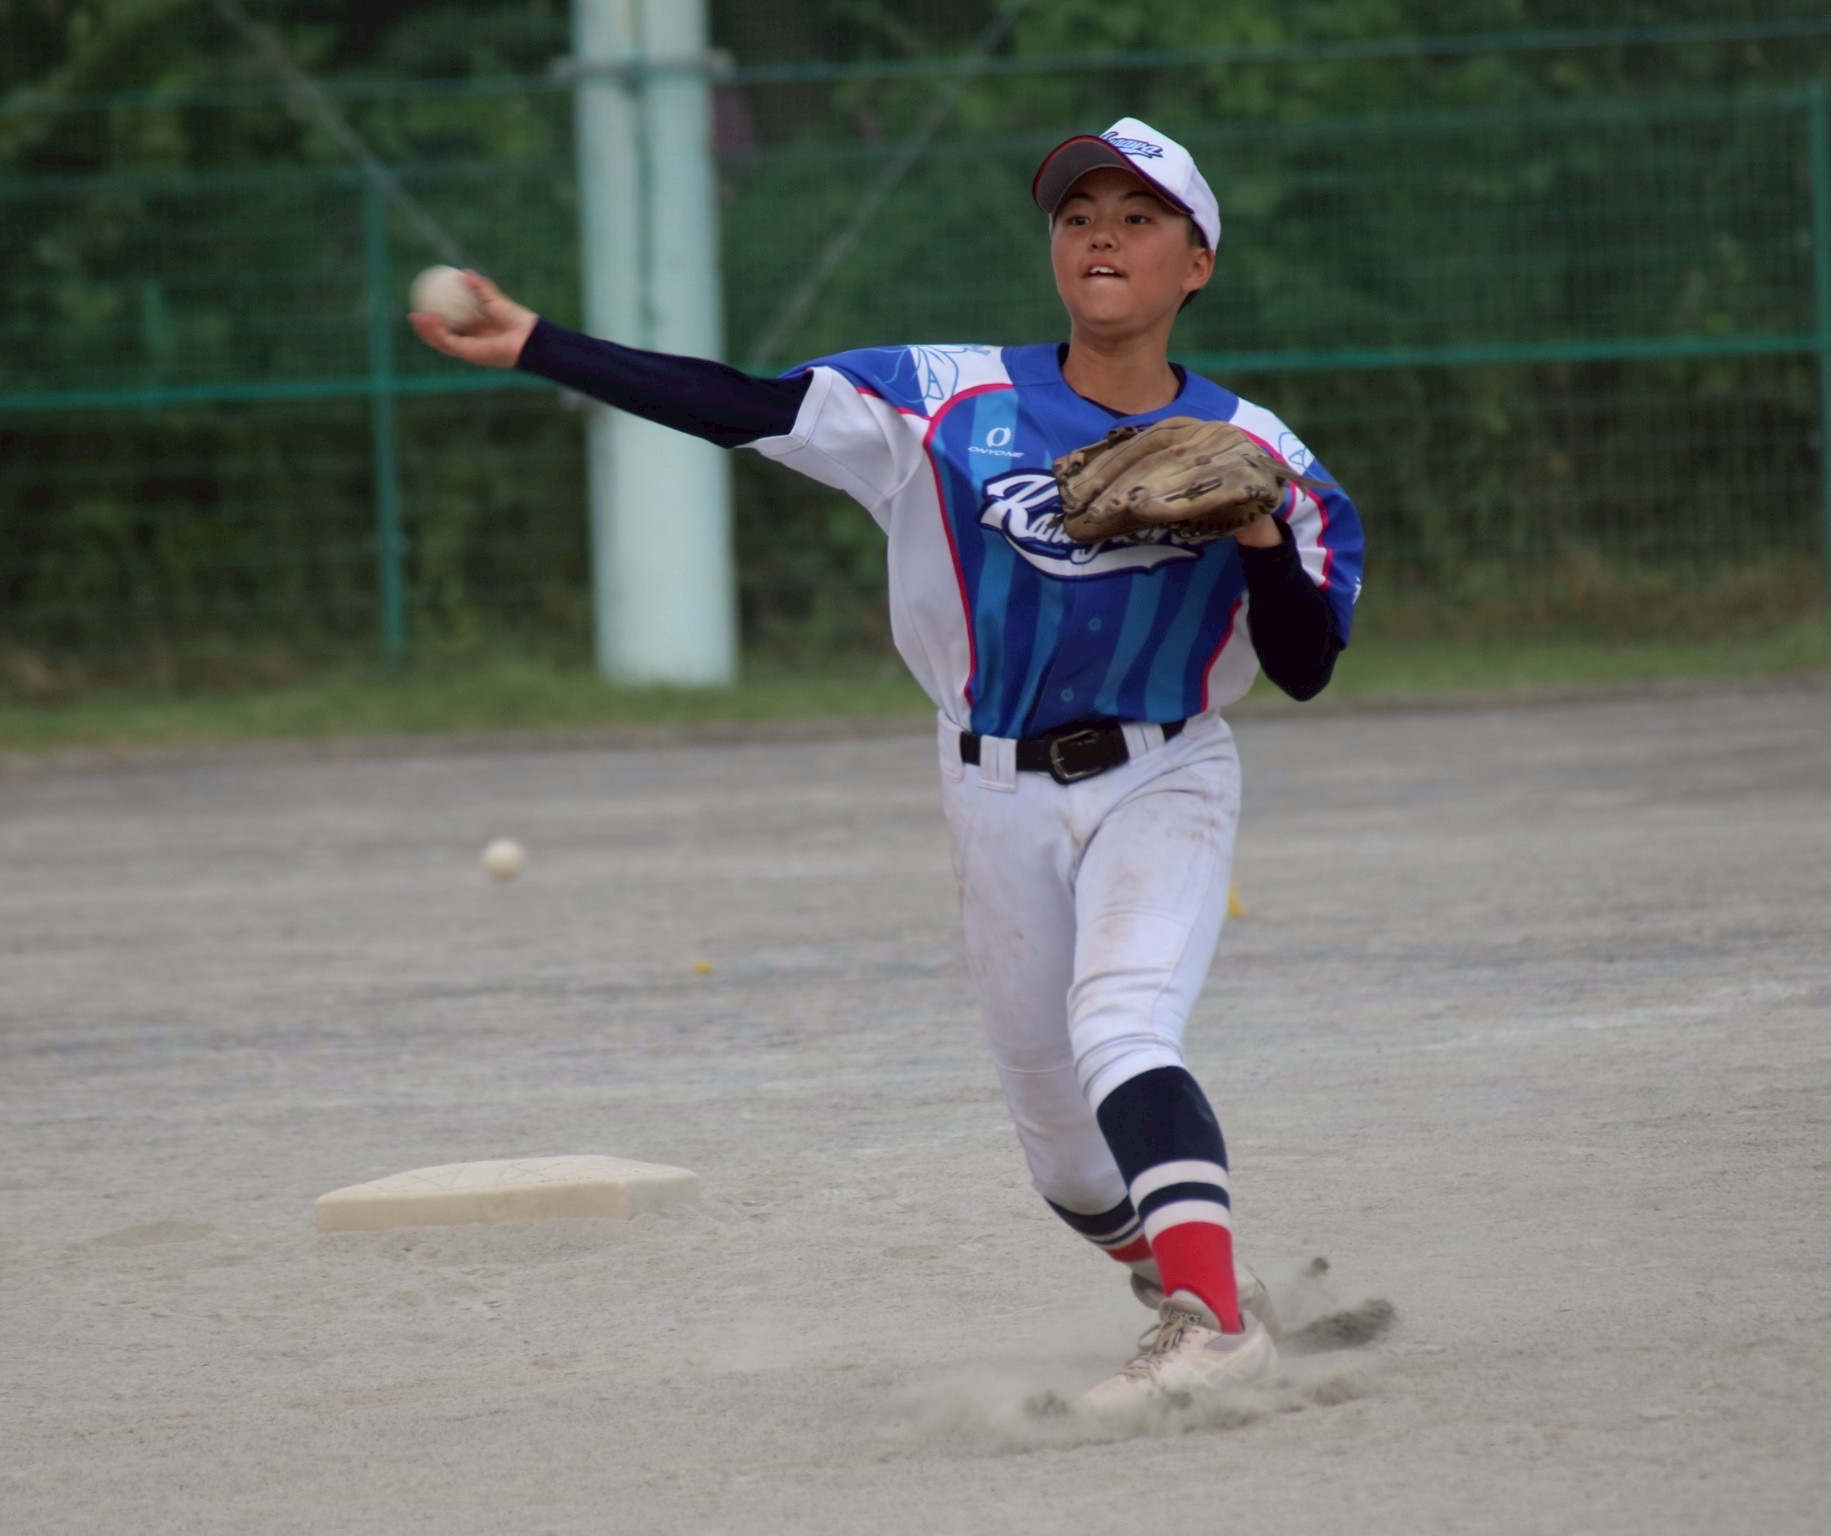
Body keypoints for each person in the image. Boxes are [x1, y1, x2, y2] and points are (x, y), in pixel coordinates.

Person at [412, 118, 1365, 1413]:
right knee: (1065, 1160)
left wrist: (1253, 530)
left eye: (1139, 217)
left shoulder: (1264, 454)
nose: (1102, 234)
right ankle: (1201, 1282)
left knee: (1122, 1027)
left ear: (1196, 263)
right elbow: (742, 406)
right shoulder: (941, 397)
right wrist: (540, 343)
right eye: (1079, 214)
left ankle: (1211, 1327)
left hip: (1164, 774)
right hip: (990, 789)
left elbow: (1306, 664)